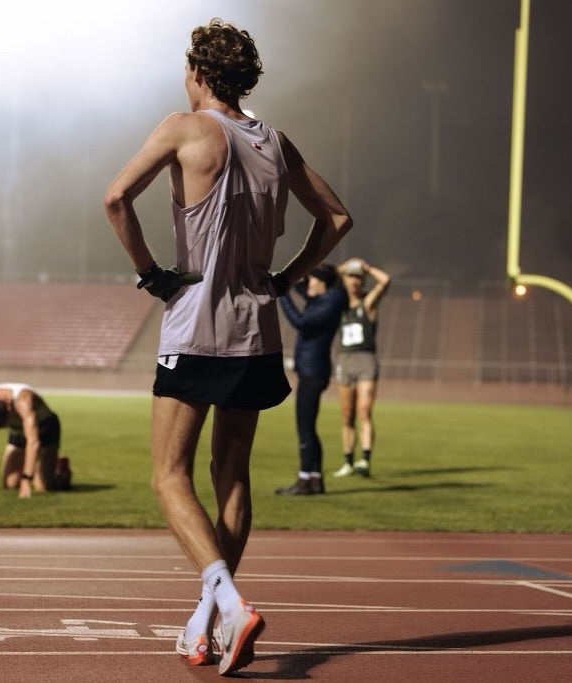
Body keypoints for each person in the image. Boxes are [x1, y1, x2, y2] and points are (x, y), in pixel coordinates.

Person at [103, 18, 352, 676]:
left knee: (167, 474)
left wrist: (153, 272)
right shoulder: (273, 138)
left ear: (198, 73)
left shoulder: (183, 127)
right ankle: (207, 623)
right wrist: (288, 276)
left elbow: (115, 197)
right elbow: (336, 219)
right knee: (231, 478)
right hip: (256, 331)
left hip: (194, 327)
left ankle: (228, 601)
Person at [274, 263, 346, 495]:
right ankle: (315, 479)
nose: (308, 284)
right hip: (311, 370)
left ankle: (305, 479)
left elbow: (301, 323)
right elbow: (304, 291)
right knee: (309, 428)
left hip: (313, 371)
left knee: (304, 427)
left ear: (323, 283)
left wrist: (281, 294)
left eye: (312, 280)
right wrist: (289, 280)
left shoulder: (330, 302)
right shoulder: (323, 300)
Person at [333, 258, 390, 478]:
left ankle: (364, 461)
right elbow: (326, 279)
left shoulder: (367, 304)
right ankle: (348, 461)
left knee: (364, 411)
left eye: (358, 277)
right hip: (345, 361)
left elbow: (385, 281)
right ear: (344, 279)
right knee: (347, 415)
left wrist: (366, 267)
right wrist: (344, 266)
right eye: (351, 276)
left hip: (366, 359)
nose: (355, 280)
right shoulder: (338, 305)